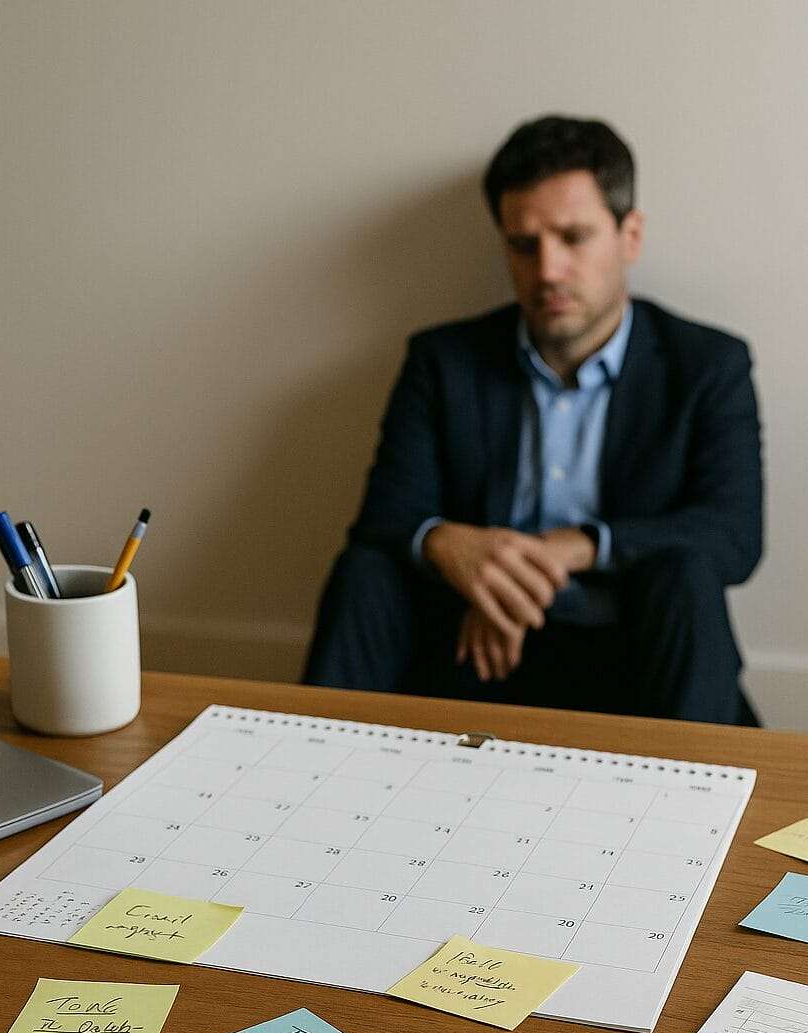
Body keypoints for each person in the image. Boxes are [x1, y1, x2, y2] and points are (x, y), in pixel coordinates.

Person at [303, 115, 763, 724]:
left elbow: (734, 536)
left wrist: (576, 547)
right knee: (367, 572)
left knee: (686, 576)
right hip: (478, 649)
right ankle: (311, 777)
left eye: (574, 238)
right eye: (524, 245)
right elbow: (384, 517)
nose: (548, 270)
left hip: (633, 651)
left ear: (630, 235)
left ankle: (699, 796)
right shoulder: (444, 361)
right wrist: (454, 547)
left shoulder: (706, 365)